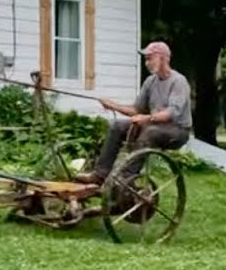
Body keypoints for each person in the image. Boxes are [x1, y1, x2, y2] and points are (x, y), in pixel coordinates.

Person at [74, 41, 192, 184]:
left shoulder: (178, 81)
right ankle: (100, 175)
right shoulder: (150, 81)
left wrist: (146, 118)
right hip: (154, 125)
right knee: (116, 125)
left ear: (163, 58)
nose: (146, 63)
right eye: (145, 59)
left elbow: (171, 113)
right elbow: (137, 110)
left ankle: (125, 178)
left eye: (150, 58)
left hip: (177, 131)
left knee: (150, 132)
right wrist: (113, 105)